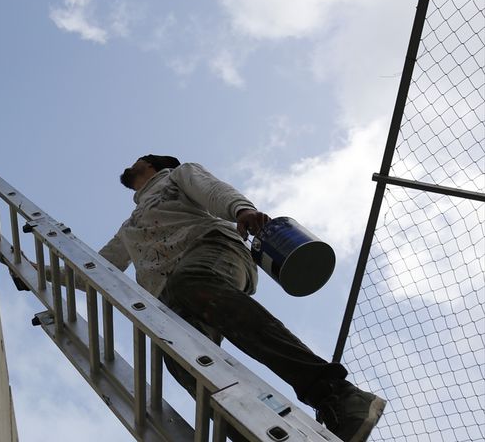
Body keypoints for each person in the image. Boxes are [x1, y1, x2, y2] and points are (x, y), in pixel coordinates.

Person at [97, 154, 385, 442]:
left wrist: (242, 210)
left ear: (151, 163)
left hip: (213, 250)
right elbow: (103, 266)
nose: (130, 166)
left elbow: (211, 189)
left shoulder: (176, 176)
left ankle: (335, 394)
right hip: (172, 298)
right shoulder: (130, 227)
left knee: (190, 280)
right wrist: (53, 269)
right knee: (178, 359)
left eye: (137, 160)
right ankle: (259, 435)